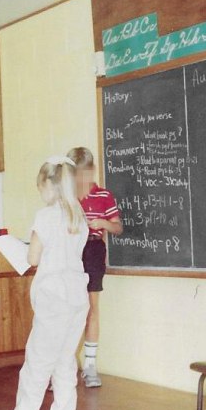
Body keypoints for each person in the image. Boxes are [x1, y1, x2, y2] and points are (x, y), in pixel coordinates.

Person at [7, 156, 90, 410]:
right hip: (77, 296)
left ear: (50, 185)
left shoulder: (45, 216)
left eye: (40, 187)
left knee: (38, 363)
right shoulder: (78, 216)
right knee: (65, 361)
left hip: (53, 297)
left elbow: (32, 258)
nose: (39, 193)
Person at [65, 147, 123, 388]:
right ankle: (62, 367)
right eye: (75, 175)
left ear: (91, 171)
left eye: (84, 174)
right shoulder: (66, 197)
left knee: (91, 308)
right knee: (68, 309)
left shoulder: (104, 195)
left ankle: (90, 366)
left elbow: (117, 228)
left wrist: (101, 223)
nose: (81, 180)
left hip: (93, 250)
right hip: (69, 252)